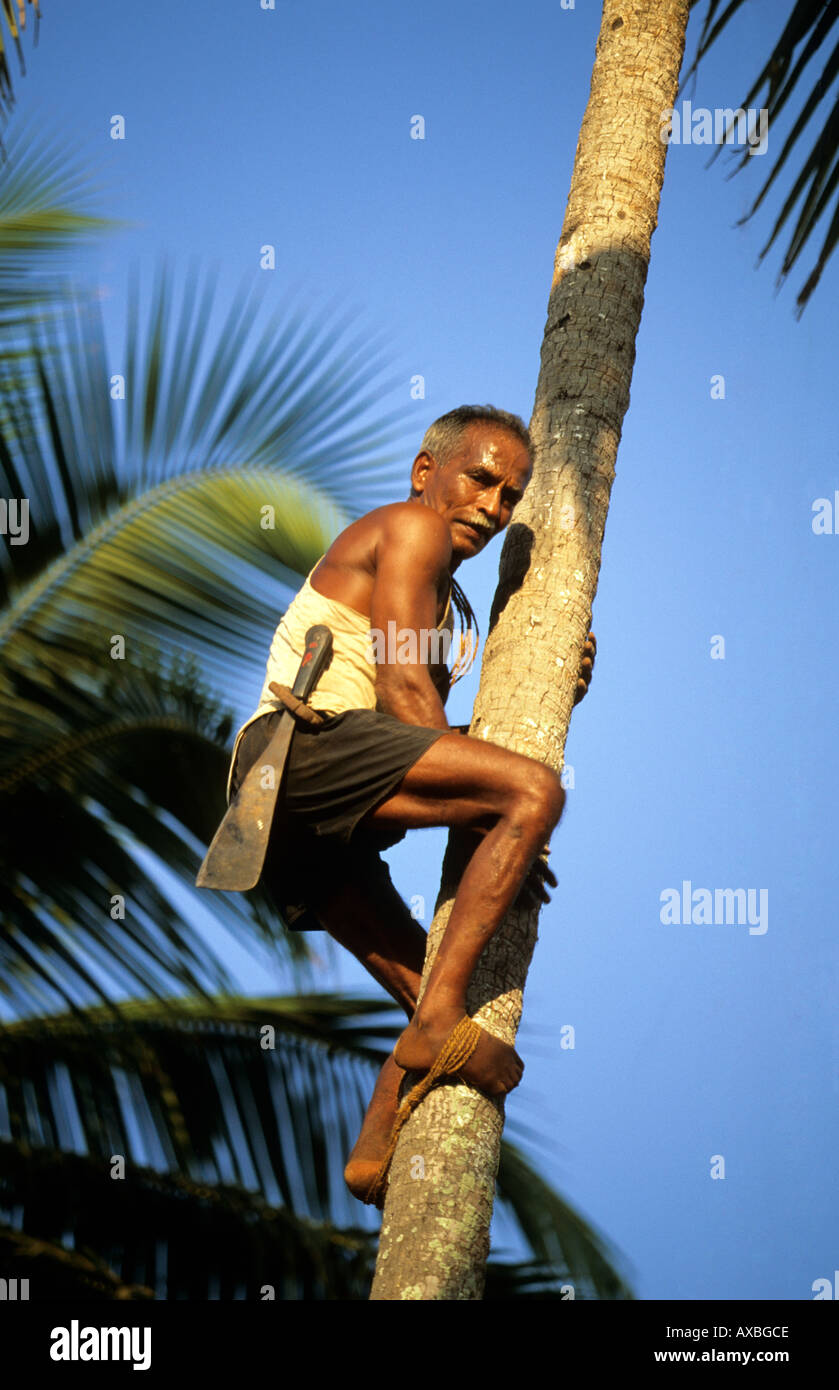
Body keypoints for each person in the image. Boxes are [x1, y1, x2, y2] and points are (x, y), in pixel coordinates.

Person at [225, 404, 595, 1202]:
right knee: (533, 789)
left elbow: (411, 718)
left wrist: (555, 681)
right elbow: (400, 689)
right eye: (481, 479)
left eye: (509, 497)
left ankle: (373, 1150)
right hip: (302, 755)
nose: (492, 508)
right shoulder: (411, 528)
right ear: (427, 472)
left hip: (285, 817)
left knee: (430, 987)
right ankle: (434, 1029)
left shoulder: (438, 590)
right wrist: (495, 813)